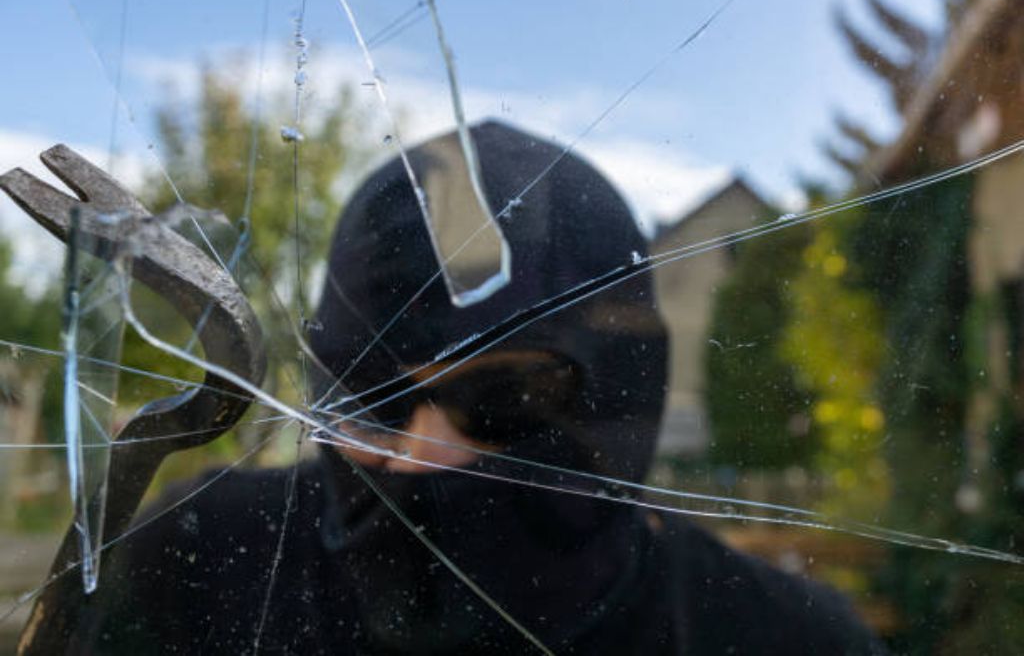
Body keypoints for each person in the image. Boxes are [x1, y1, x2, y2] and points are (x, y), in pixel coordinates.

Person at [68, 120, 884, 654]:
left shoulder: (783, 639)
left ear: (620, 399)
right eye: (371, 399)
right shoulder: (198, 561)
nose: (422, 456)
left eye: (503, 400)